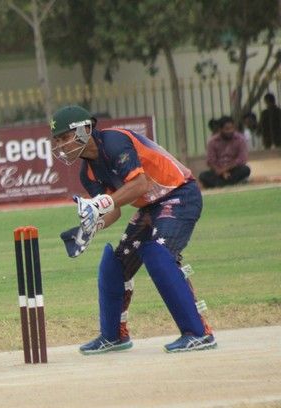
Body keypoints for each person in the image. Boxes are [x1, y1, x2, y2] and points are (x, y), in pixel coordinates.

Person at [52, 105, 216, 354]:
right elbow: (113, 210)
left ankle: (198, 333)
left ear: (85, 129)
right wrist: (90, 226)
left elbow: (139, 185)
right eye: (57, 141)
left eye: (65, 137)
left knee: (160, 255)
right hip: (151, 206)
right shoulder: (88, 172)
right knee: (114, 265)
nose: (61, 146)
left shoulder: (114, 142)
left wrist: (102, 204)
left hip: (179, 193)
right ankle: (114, 336)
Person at [198, 116, 251, 189]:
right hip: (217, 171)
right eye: (227, 129)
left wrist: (225, 169)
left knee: (246, 169)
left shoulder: (240, 139)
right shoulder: (212, 141)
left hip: (234, 169)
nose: (230, 131)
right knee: (203, 175)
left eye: (232, 128)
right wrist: (222, 172)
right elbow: (211, 161)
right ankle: (231, 183)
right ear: (220, 129)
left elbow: (241, 159)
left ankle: (220, 184)